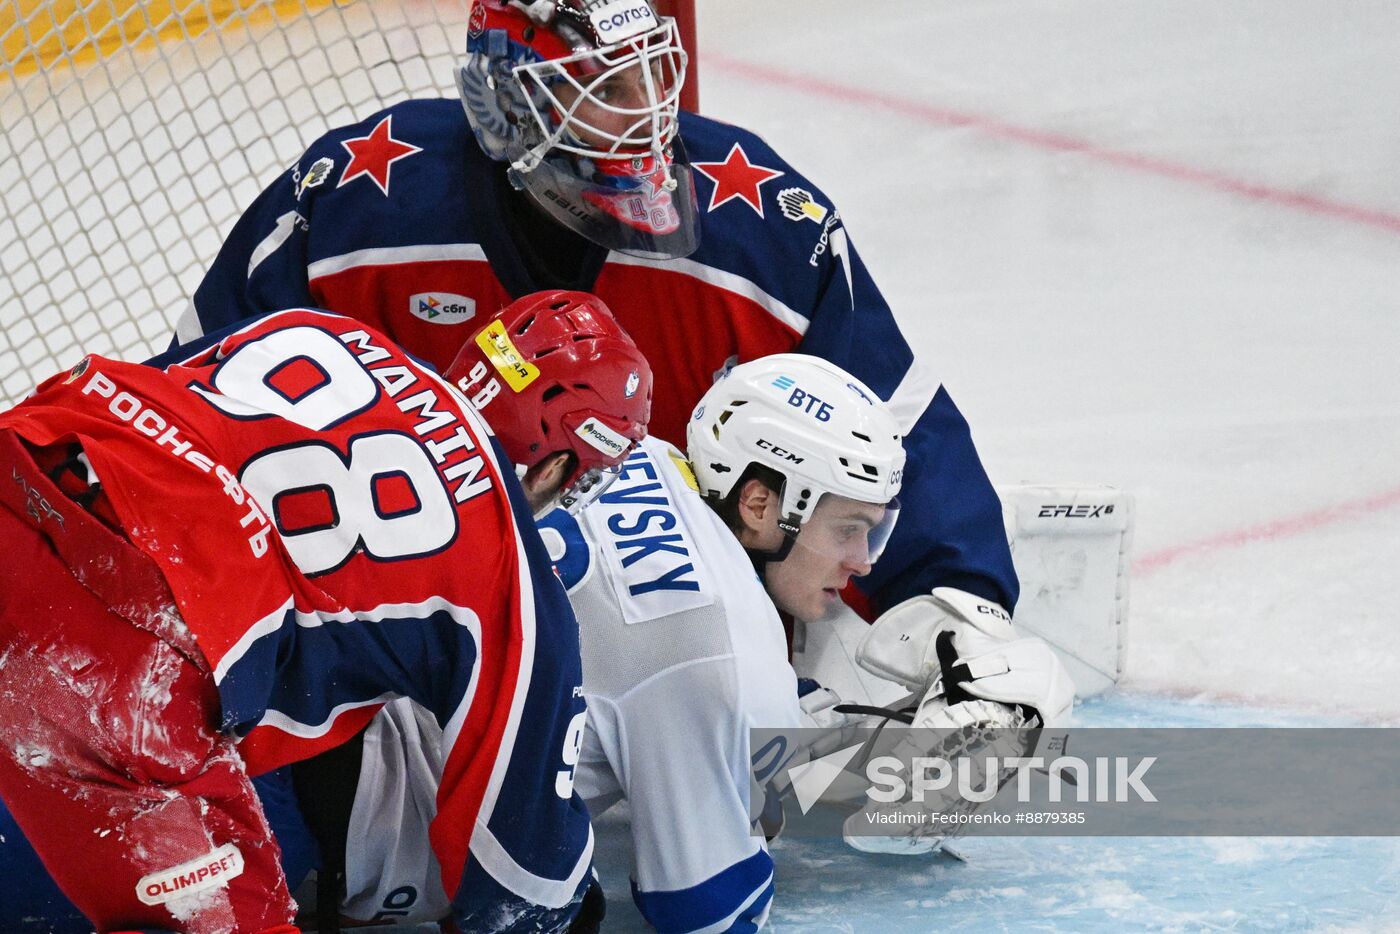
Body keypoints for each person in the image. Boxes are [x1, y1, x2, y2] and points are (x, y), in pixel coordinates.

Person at [179, 0, 1021, 651]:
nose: (647, 117)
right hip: (412, 656)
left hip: (700, 660)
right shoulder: (359, 211)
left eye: (653, 77)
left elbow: (891, 427)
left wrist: (953, 610)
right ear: (509, 100)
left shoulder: (755, 223)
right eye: (603, 89)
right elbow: (195, 412)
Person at [263, 354, 1072, 933]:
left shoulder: (635, 450)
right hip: (302, 823)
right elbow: (702, 907)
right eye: (851, 527)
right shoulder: (719, 645)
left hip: (282, 684)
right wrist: (843, 777)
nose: (864, 563)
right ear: (759, 502)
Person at [0, 290, 651, 933]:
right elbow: (518, 876)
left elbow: (164, 398)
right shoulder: (510, 570)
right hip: (117, 641)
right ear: (558, 462)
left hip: (27, 457)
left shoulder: (326, 327)